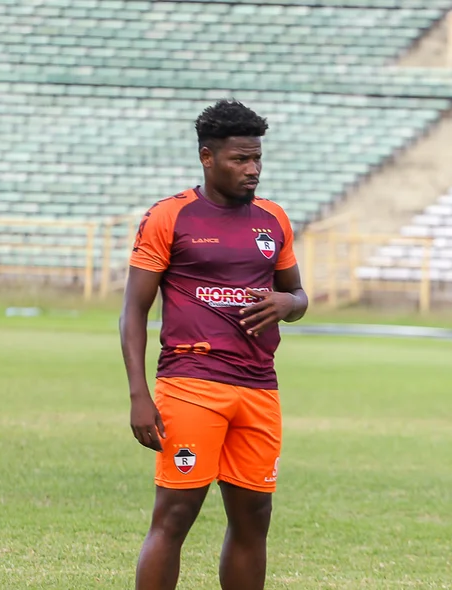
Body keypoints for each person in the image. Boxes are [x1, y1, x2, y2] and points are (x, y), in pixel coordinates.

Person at [120, 99, 308, 590]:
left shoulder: (273, 219)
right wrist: (140, 395)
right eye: (240, 160)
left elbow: (299, 294)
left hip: (259, 388)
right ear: (208, 157)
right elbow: (133, 310)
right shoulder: (169, 216)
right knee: (176, 514)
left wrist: (288, 304)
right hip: (190, 385)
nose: (253, 170)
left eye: (258, 159)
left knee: (253, 520)